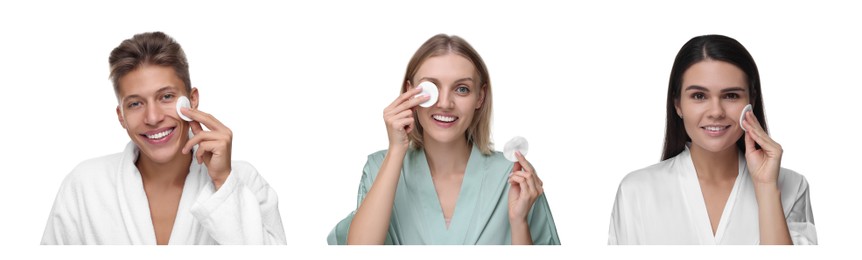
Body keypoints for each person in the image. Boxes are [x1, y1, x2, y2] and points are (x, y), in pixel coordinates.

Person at [41, 32, 286, 245]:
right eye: (135, 103)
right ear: (122, 116)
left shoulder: (244, 182)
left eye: (166, 96)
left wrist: (223, 182)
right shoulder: (85, 186)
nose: (153, 117)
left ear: (192, 100)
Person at [328, 34, 560, 245]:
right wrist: (397, 148)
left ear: (480, 96)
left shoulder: (514, 177)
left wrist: (519, 222)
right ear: (409, 91)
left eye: (461, 89)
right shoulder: (380, 167)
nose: (445, 103)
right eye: (432, 88)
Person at [608, 35, 816, 245]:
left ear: (751, 101)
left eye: (731, 95)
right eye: (699, 96)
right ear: (678, 104)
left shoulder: (792, 186)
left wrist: (766, 187)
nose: (716, 112)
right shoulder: (636, 191)